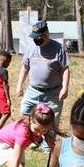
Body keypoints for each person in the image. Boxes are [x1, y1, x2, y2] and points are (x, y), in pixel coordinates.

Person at [15, 21, 71, 152]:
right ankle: (29, 138)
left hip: (53, 93)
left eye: (38, 37)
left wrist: (65, 87)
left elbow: (65, 69)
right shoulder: (31, 47)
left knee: (52, 120)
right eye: (34, 37)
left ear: (46, 34)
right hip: (33, 90)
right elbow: (25, 68)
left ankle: (47, 147)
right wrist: (19, 85)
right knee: (24, 111)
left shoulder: (58, 48)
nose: (36, 40)